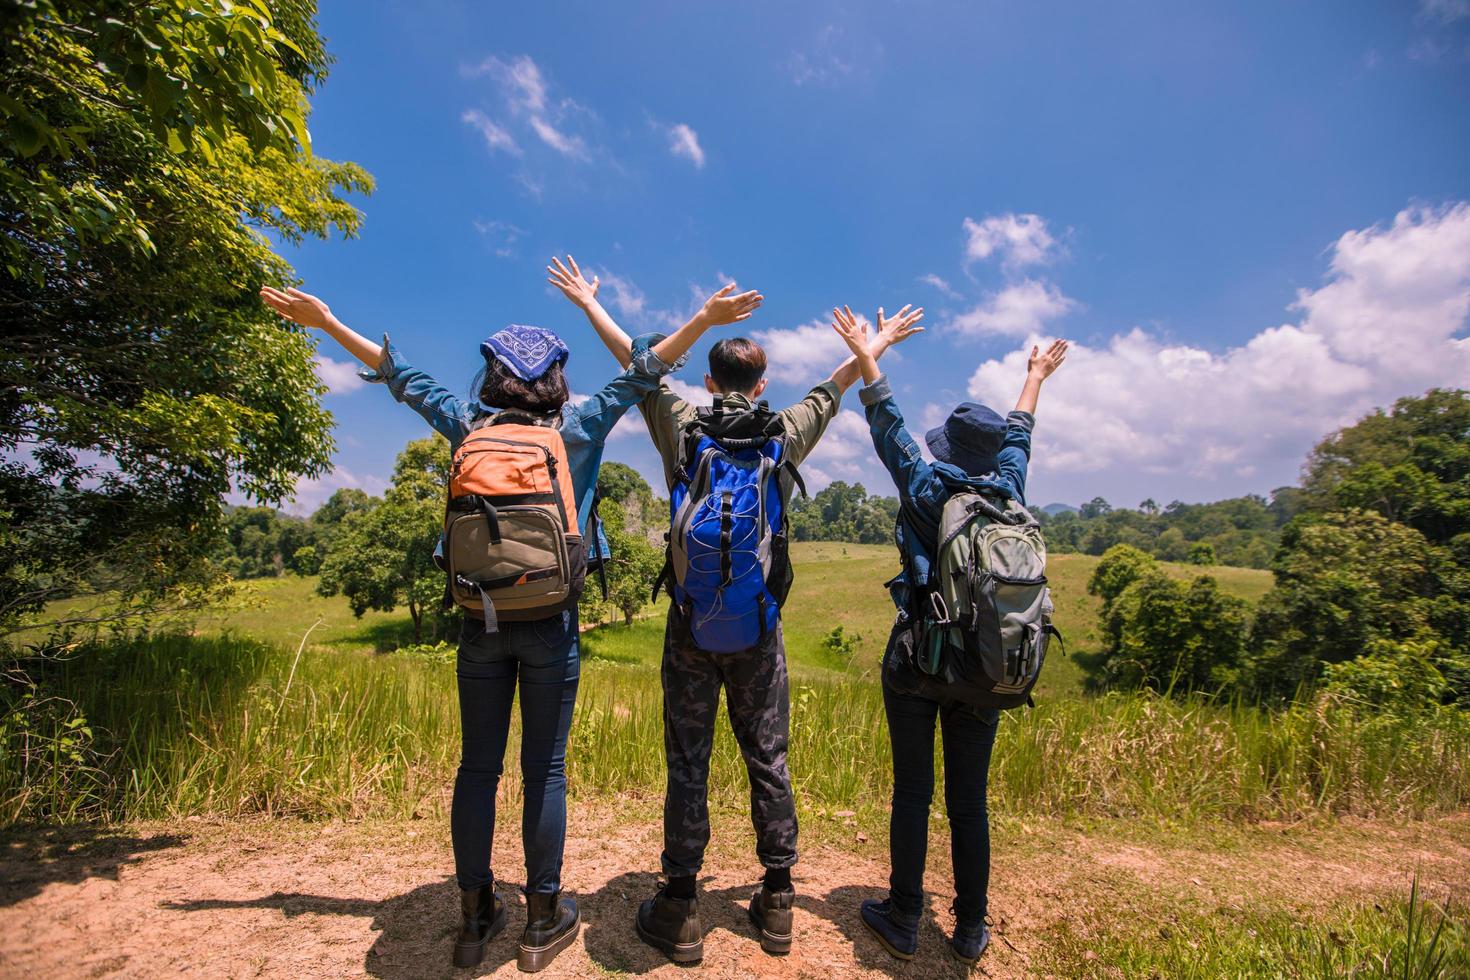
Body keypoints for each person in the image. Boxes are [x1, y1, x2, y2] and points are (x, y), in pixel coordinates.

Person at [257, 277, 759, 972]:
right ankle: (543, 918)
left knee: (477, 768)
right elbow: (645, 372)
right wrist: (705, 316)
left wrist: (326, 320)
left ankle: (474, 918)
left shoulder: (470, 425)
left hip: (480, 621)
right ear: (556, 378)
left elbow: (401, 376)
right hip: (553, 623)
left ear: (493, 377)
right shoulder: (578, 428)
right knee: (543, 770)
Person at [548, 257, 915, 962]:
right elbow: (833, 389)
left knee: (688, 759)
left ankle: (680, 906)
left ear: (710, 381)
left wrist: (592, 304)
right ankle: (776, 902)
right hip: (759, 632)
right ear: (762, 384)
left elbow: (639, 362)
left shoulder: (682, 424)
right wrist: (875, 347)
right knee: (766, 756)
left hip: (690, 625)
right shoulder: (783, 432)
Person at [828, 304, 1068, 966]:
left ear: (949, 449)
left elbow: (888, 420)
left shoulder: (929, 485)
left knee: (914, 791)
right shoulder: (1011, 491)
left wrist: (865, 349)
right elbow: (1020, 432)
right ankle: (969, 926)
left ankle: (903, 916)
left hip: (916, 663)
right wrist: (1036, 375)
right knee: (970, 801)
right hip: (986, 669)